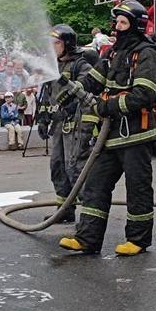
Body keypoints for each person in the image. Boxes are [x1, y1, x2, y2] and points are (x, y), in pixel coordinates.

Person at [58, 0, 156, 255]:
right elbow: (94, 80)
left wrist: (107, 107)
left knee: (137, 188)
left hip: (135, 134)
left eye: (123, 23)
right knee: (95, 185)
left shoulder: (145, 54)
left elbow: (143, 95)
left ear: (136, 27)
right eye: (116, 22)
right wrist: (71, 90)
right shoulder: (113, 53)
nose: (117, 27)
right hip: (110, 137)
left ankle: (138, 240)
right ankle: (87, 239)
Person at [40, 24, 97, 223]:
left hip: (77, 123)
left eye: (56, 43)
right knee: (57, 166)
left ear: (68, 44)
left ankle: (90, 214)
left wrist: (73, 104)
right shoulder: (53, 66)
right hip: (58, 123)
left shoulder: (81, 65)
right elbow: (47, 95)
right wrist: (43, 117)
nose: (53, 47)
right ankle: (64, 209)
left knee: (75, 167)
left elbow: (88, 87)